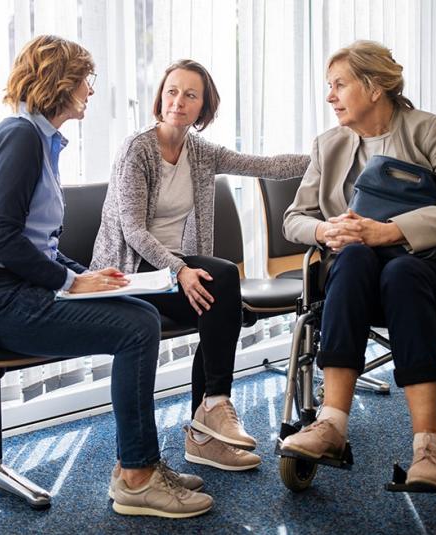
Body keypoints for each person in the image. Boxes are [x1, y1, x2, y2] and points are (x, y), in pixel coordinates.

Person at [0, 36, 212, 518]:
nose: (90, 91)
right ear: (61, 83)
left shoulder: (35, 138)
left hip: (18, 291)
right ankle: (137, 477)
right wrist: (69, 282)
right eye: (86, 79)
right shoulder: (20, 137)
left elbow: (37, 243)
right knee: (138, 326)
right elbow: (0, 240)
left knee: (139, 312)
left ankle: (133, 466)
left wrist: (87, 274)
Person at [280, 40, 436, 489]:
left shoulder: (428, 130)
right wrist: (324, 231)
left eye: (339, 85)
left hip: (425, 265)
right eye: (327, 86)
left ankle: (427, 445)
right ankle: (331, 424)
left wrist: (390, 231)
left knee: (401, 272)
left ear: (374, 88)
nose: (329, 96)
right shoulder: (328, 144)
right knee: (350, 257)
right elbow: (294, 219)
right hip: (356, 274)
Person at [91, 59, 310, 472]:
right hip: (132, 273)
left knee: (217, 289)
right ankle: (211, 413)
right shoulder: (137, 150)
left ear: (203, 107)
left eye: (191, 95)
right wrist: (180, 270)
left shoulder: (200, 152)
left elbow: (264, 165)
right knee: (222, 282)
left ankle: (207, 422)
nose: (179, 101)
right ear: (161, 96)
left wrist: (328, 152)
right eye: (172, 91)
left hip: (174, 275)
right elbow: (133, 231)